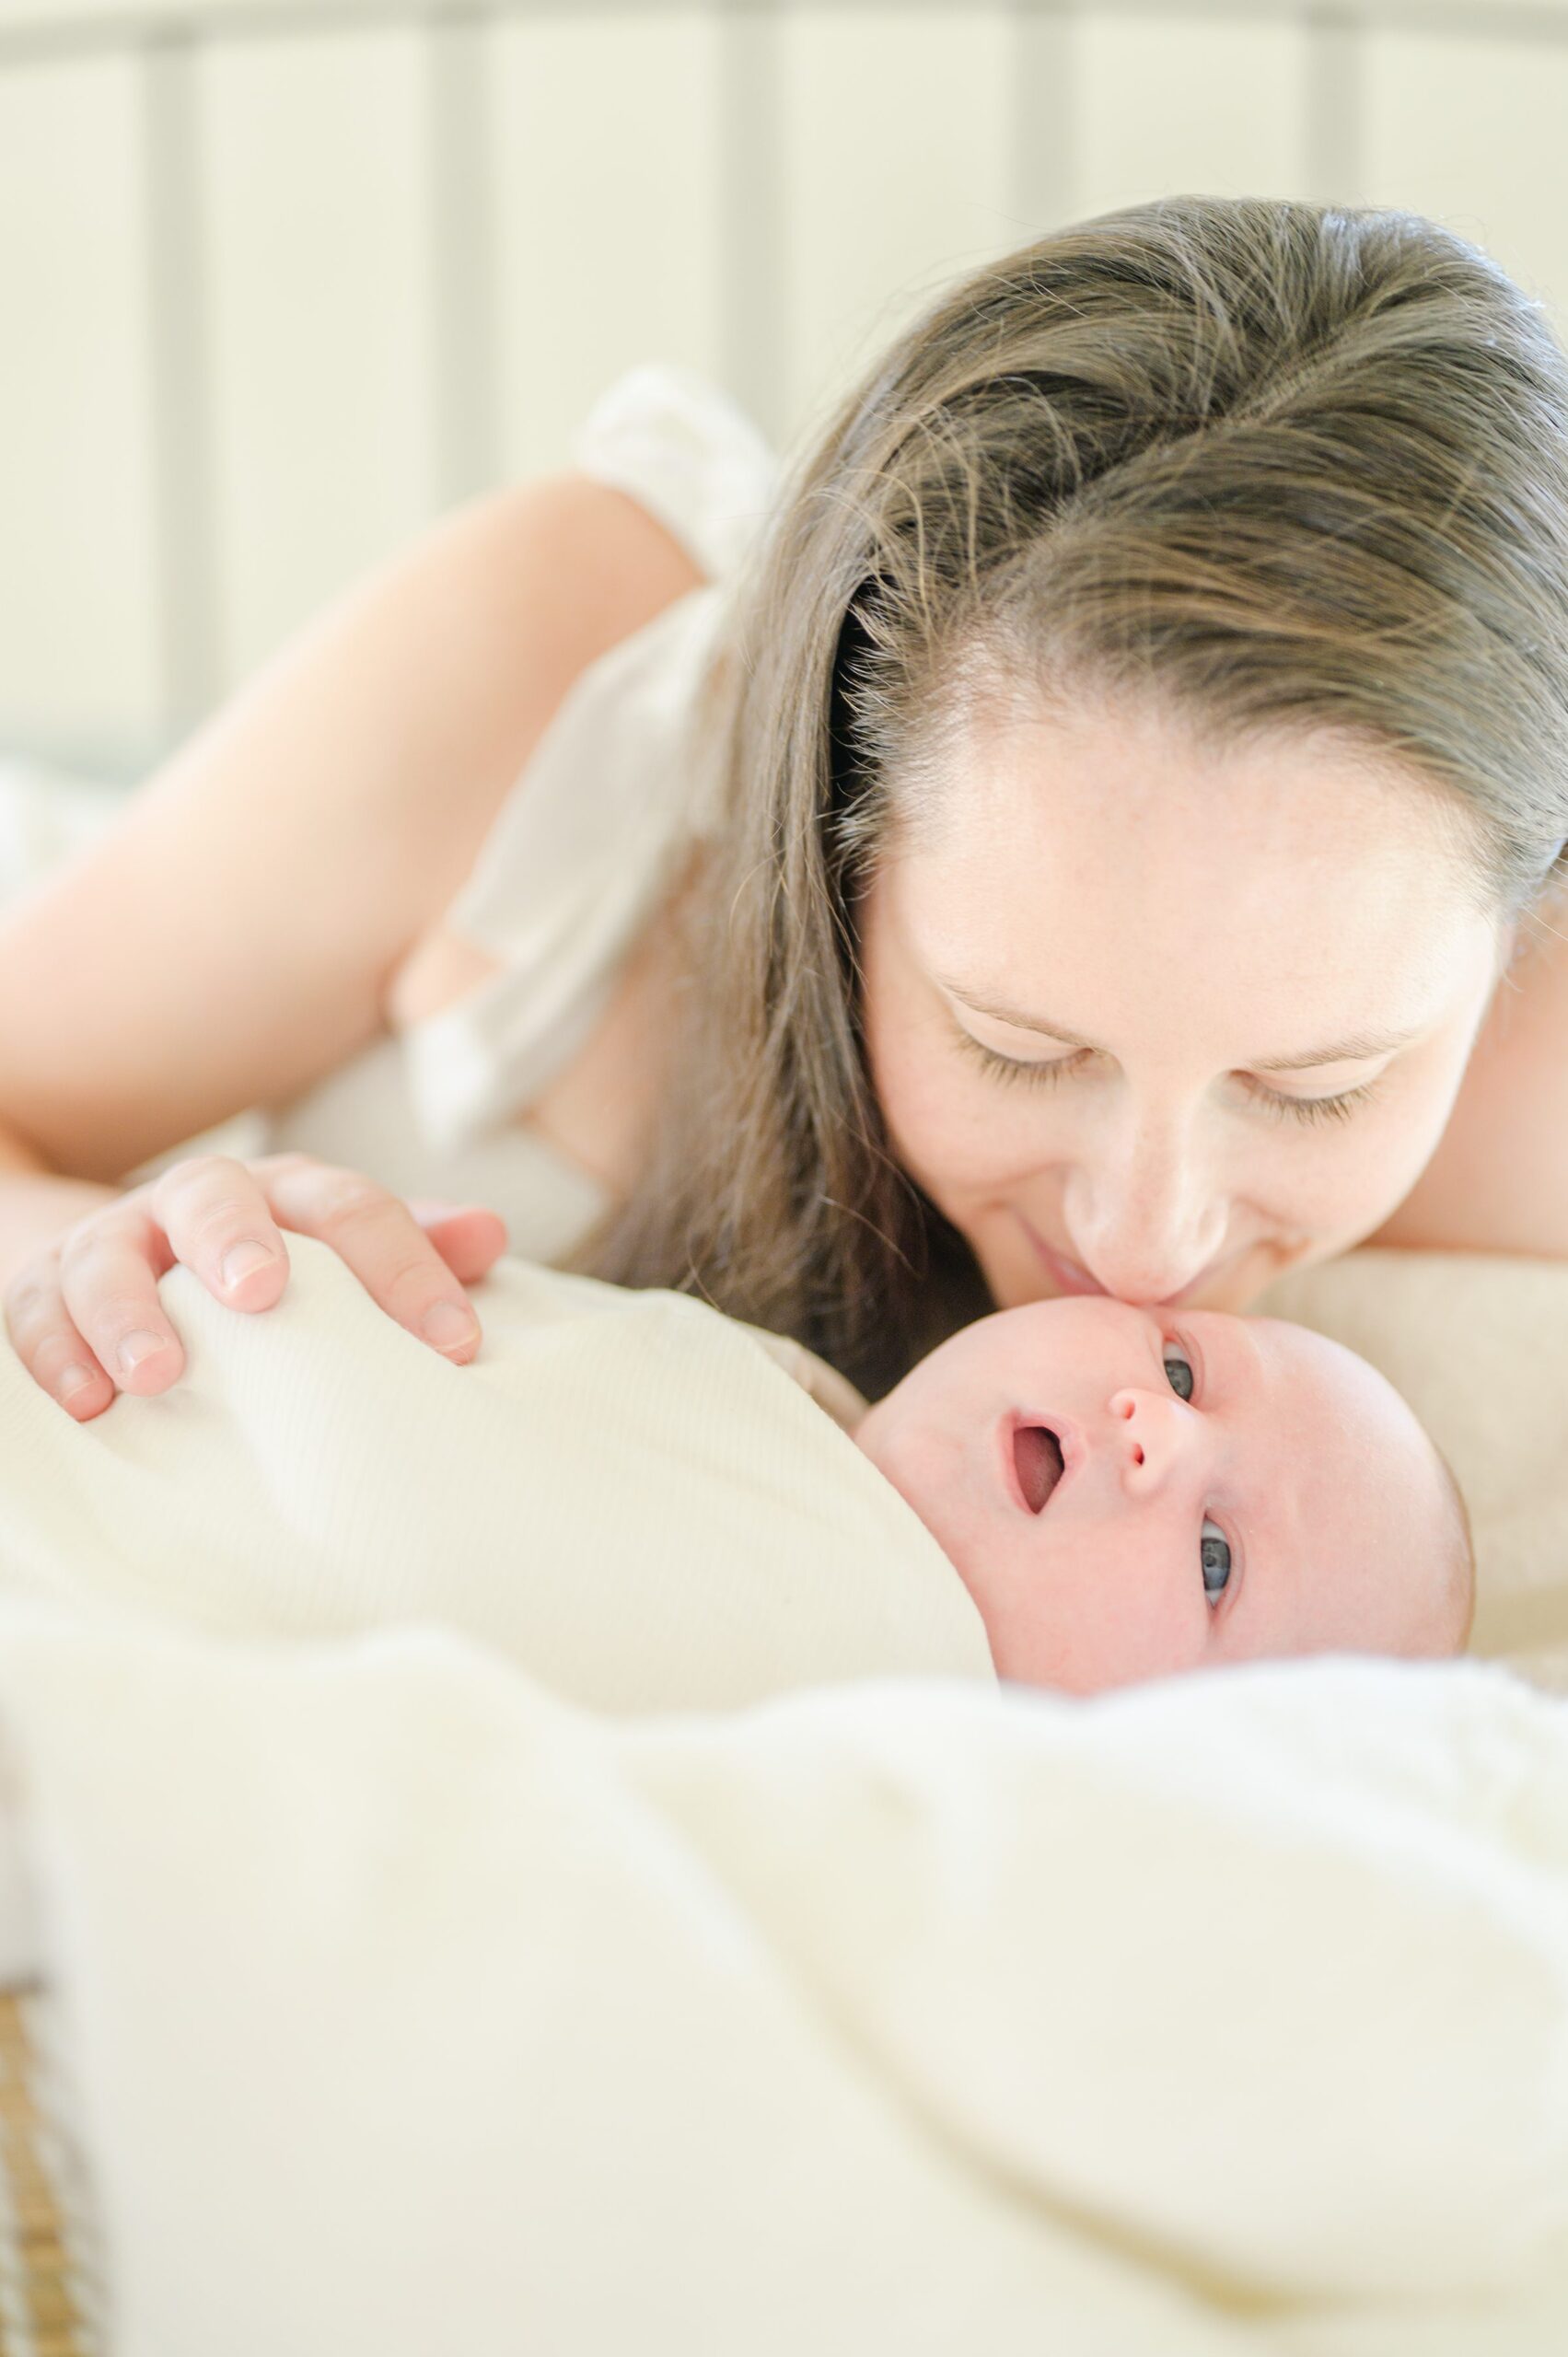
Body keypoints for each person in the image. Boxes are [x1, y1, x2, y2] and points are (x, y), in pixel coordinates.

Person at [2, 196, 1567, 1411]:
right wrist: (106, 1250)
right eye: (1014, 1043)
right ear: (832, 806)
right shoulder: (556, 682)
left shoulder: (1525, 1042)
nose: (1148, 1244)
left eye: (1315, 1089)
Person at [0, 1235, 1473, 1702]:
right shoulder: (769, 1382)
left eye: (1216, 1560)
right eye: (1180, 1366)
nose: (1159, 1433)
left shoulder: (883, 1711)